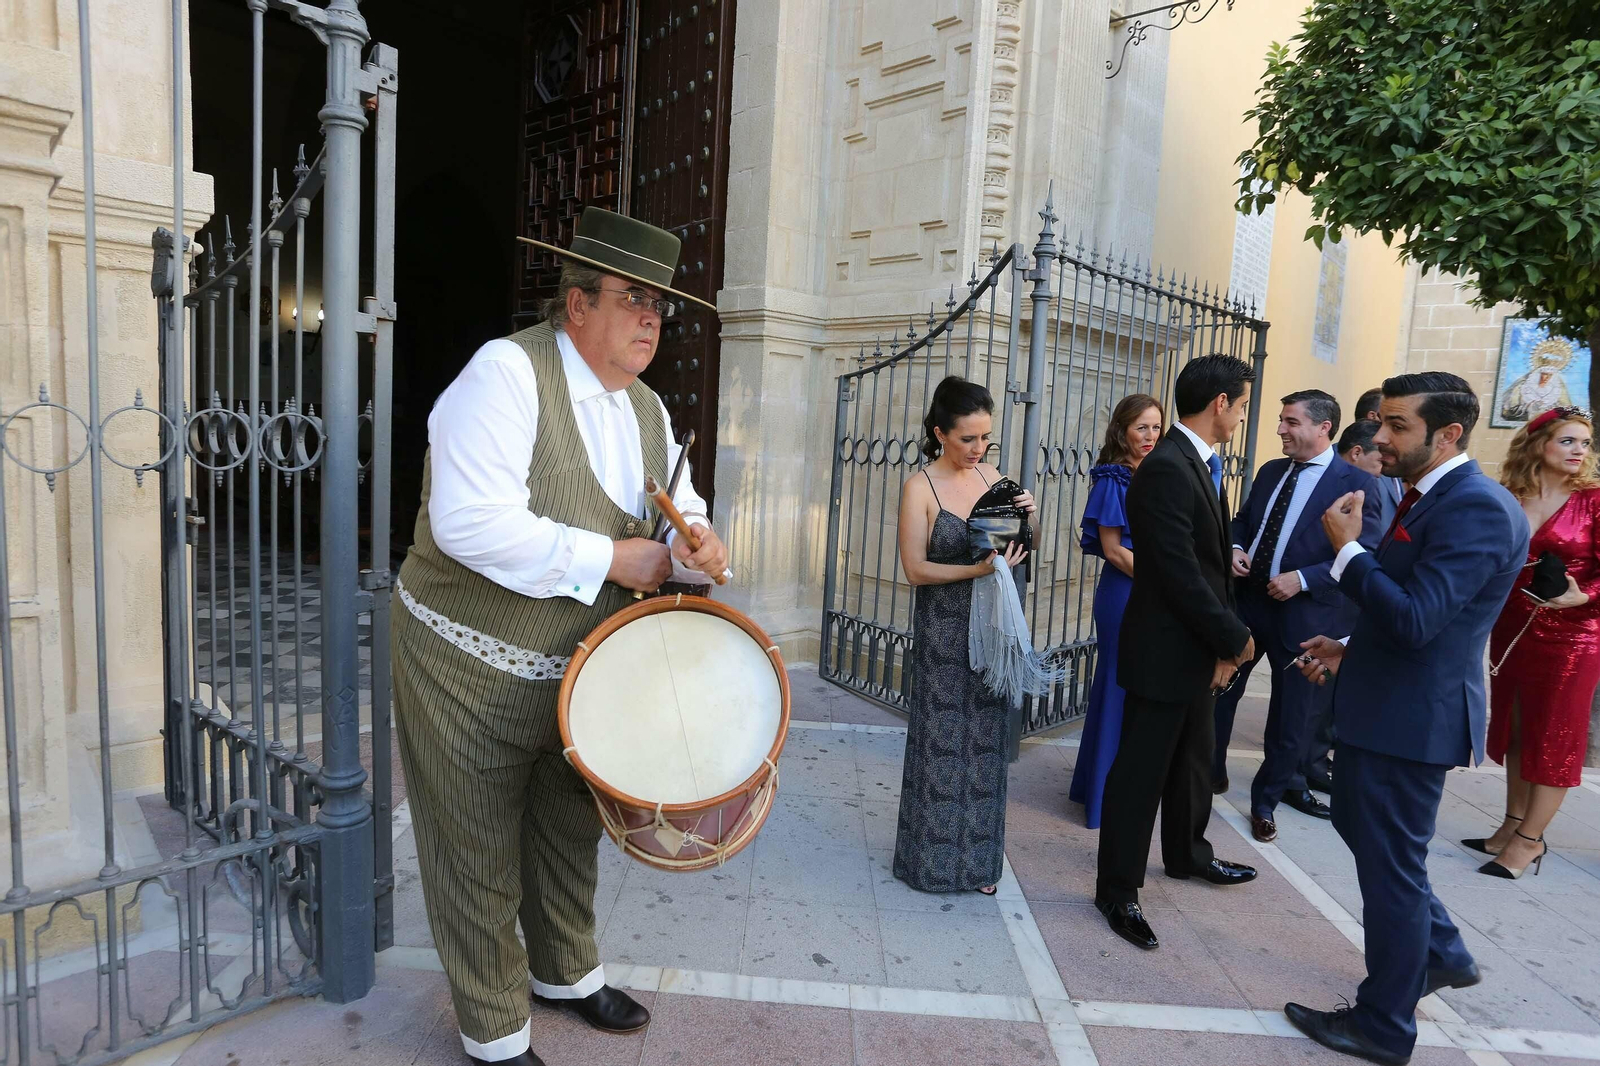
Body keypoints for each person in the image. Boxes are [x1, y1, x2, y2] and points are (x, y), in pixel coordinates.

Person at [391, 208, 729, 1066]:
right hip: (463, 662)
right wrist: (615, 556)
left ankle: (566, 974)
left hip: (577, 674)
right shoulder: (505, 374)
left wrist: (699, 545)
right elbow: (468, 523)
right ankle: (496, 1033)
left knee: (566, 825)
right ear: (576, 304)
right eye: (634, 299)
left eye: (661, 307)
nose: (652, 319)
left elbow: (680, 511)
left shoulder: (649, 410)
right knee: (474, 844)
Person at [1288, 372, 1528, 1066]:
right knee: (1360, 829)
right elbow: (1422, 608)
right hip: (1388, 702)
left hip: (1411, 720)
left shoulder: (1476, 507)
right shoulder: (1436, 496)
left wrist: (1347, 550)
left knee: (1391, 870)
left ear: (1448, 433)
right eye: (1382, 423)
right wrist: (1349, 646)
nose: (1380, 437)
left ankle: (1384, 1026)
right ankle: (1442, 951)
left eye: (1396, 426)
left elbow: (1421, 619)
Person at [1094, 354, 1259, 952]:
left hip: (1196, 647)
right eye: (1241, 406)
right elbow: (1177, 574)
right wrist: (1233, 638)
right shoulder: (1167, 467)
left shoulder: (1199, 462)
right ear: (1220, 403)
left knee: (1194, 759)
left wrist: (1219, 639)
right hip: (1164, 650)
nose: (1243, 416)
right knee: (1140, 775)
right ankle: (1117, 890)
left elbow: (1212, 568)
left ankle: (1189, 855)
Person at [1210, 391, 1381, 841]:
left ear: (1324, 427)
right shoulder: (1270, 471)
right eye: (1282, 420)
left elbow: (1367, 554)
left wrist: (1303, 579)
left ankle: (1265, 802)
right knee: (1219, 694)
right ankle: (1208, 775)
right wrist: (1236, 547)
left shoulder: (1357, 484)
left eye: (1290, 422)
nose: (1280, 430)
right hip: (1248, 605)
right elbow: (1244, 520)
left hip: (1308, 619)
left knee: (1293, 718)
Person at [894, 376, 1035, 895]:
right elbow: (915, 570)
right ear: (940, 433)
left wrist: (1028, 517)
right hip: (943, 632)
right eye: (967, 439)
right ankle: (928, 864)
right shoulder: (920, 487)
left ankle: (979, 864)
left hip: (990, 629)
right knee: (942, 742)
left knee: (986, 746)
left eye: (985, 439)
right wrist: (975, 572)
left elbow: (1013, 550)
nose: (978, 450)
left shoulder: (993, 477)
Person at [1465, 407, 1600, 878]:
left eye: (1584, 443)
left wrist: (1585, 595)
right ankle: (1511, 824)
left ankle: (1529, 842)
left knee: (1555, 737)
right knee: (1517, 729)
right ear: (1538, 443)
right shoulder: (1511, 494)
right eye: (1567, 441)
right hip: (1512, 628)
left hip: (1574, 634)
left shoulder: (1594, 500)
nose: (1578, 451)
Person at [1069, 393, 1163, 829]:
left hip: (1150, 592)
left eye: (1156, 427)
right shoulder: (1115, 478)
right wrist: (1165, 579)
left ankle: (1101, 787)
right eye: (1141, 427)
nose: (1149, 436)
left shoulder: (1156, 472)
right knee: (1115, 688)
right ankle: (1102, 802)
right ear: (1122, 429)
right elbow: (1113, 550)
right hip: (1124, 595)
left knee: (1132, 690)